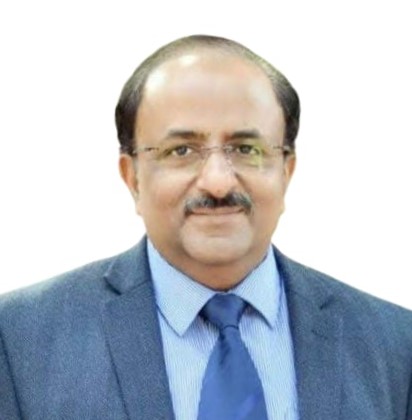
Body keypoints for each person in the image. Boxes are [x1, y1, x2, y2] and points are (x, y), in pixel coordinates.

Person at [0, 35, 411, 420]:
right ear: (133, 177)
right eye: (181, 150)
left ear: (286, 172)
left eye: (247, 149)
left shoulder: (395, 344)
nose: (218, 182)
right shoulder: (19, 341)